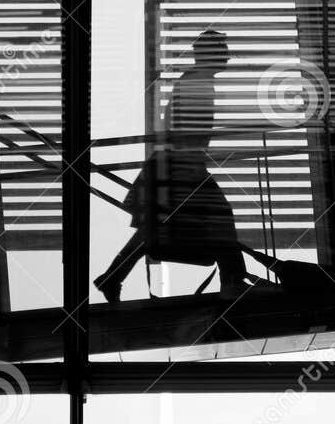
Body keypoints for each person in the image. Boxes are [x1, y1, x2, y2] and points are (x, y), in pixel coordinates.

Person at [94, 29, 247, 302]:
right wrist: (191, 163)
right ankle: (233, 281)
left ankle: (113, 277)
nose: (227, 56)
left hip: (177, 162)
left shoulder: (193, 81)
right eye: (222, 50)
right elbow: (184, 129)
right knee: (219, 215)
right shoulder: (197, 82)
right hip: (182, 163)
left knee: (156, 226)